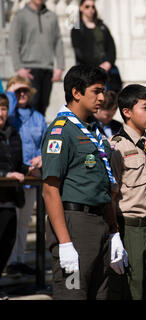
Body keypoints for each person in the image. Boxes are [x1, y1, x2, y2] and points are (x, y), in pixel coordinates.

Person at [41, 65, 128, 300]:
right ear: (77, 92)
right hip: (75, 224)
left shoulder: (94, 130)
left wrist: (113, 231)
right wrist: (65, 242)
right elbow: (50, 190)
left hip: (99, 221)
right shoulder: (61, 131)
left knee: (101, 294)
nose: (102, 97)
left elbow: (104, 184)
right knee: (73, 293)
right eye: (96, 91)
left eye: (104, 91)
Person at [108, 85, 146, 300]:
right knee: (132, 291)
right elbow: (111, 196)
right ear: (127, 112)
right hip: (129, 229)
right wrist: (114, 234)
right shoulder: (117, 147)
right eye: (145, 108)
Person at [4, 76, 46, 277]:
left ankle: (18, 260)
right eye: (17, 91)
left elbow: (45, 144)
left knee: (24, 222)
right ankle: (9, 261)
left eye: (25, 91)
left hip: (31, 178)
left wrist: (40, 159)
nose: (22, 94)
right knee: (10, 223)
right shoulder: (8, 115)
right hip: (11, 178)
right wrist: (10, 93)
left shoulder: (38, 117)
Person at [9, 0, 65, 116]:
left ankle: (40, 133)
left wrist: (60, 67)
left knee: (43, 106)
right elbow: (14, 42)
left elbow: (58, 42)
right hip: (29, 69)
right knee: (30, 105)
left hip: (47, 68)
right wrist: (18, 67)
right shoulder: (21, 15)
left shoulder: (52, 16)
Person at [0, 93, 29, 300]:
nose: (0, 112)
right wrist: (5, 175)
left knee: (6, 243)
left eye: (3, 108)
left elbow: (18, 165)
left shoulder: (13, 132)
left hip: (9, 199)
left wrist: (32, 169)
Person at [71, 0, 122, 93]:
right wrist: (97, 67)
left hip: (107, 70)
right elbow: (79, 51)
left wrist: (109, 62)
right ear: (81, 8)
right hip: (88, 72)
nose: (91, 9)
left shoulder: (101, 26)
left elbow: (111, 46)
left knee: (111, 99)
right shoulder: (77, 27)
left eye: (93, 7)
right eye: (87, 6)